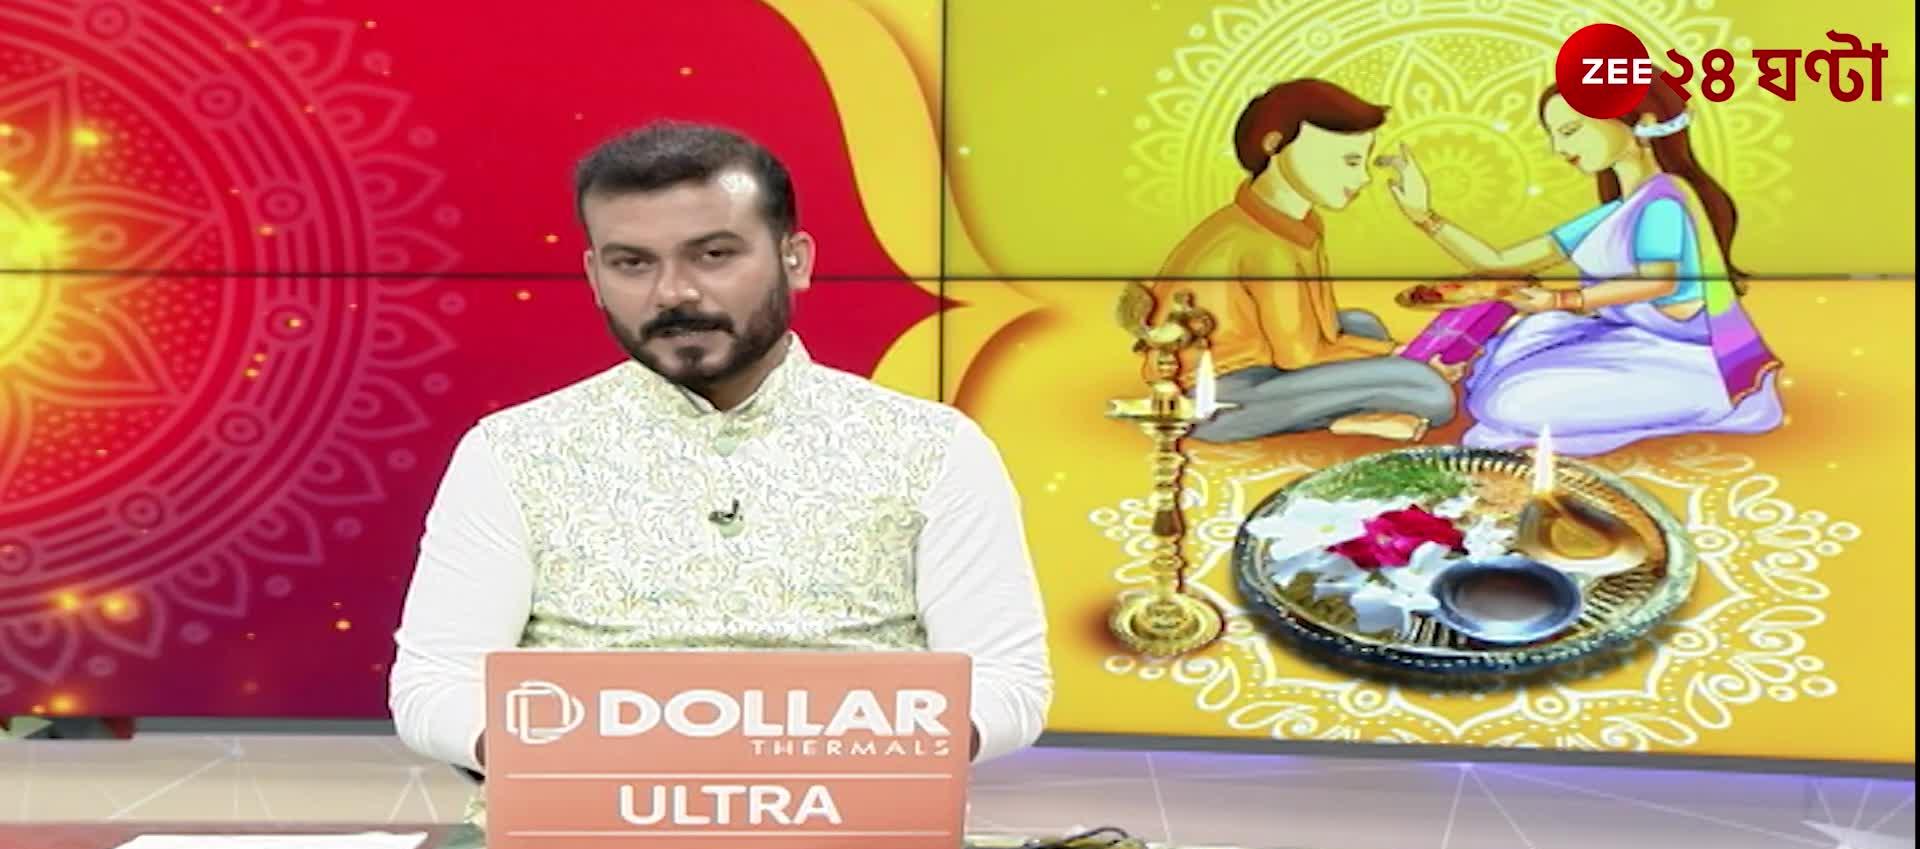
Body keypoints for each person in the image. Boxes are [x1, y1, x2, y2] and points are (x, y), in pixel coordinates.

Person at [389, 122, 1052, 774]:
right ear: (594, 276)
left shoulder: (933, 448)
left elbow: (1006, 683)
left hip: (858, 834)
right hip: (575, 833)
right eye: (632, 263)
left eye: (713, 255)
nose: (673, 292)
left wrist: (839, 759)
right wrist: (578, 766)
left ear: (795, 260)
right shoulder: (513, 452)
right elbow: (436, 683)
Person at [1381, 81, 1782, 455]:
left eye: (1571, 130)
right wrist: (1424, 215)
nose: (1559, 147)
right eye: (1554, 135)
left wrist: (1562, 300)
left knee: (1505, 402)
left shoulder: (1663, 200)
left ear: (1641, 122)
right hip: (1634, 339)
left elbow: (1660, 282)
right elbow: (1500, 262)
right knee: (1497, 364)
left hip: (1693, 360)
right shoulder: (1616, 211)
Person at [1153, 79, 1457, 444]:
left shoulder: (1298, 223)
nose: (1362, 178)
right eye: (1348, 161)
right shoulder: (1261, 242)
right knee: (1431, 393)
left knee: (1364, 324)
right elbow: (1300, 355)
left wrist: (1396, 354)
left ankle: (1343, 408)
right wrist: (1403, 356)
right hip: (1215, 395)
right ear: (1274, 146)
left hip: (1269, 361)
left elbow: (1323, 332)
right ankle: (1339, 420)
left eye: (1362, 161)